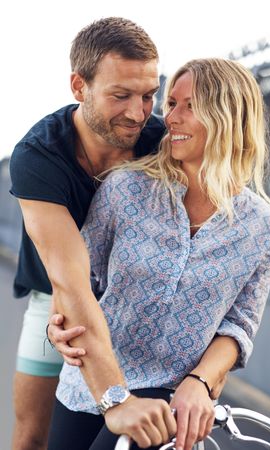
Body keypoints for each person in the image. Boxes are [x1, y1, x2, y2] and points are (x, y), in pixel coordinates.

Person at [47, 58, 270, 450]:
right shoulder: (125, 189)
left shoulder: (263, 227)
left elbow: (239, 325)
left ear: (226, 114)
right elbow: (80, 282)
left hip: (171, 401)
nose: (169, 117)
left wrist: (200, 381)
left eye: (188, 105)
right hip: (88, 385)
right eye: (170, 103)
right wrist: (56, 324)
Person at [9, 17, 168, 450]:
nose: (139, 113)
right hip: (57, 298)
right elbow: (68, 279)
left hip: (134, 298)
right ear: (79, 86)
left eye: (150, 95)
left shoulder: (162, 141)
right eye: (121, 96)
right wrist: (114, 399)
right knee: (30, 435)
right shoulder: (38, 156)